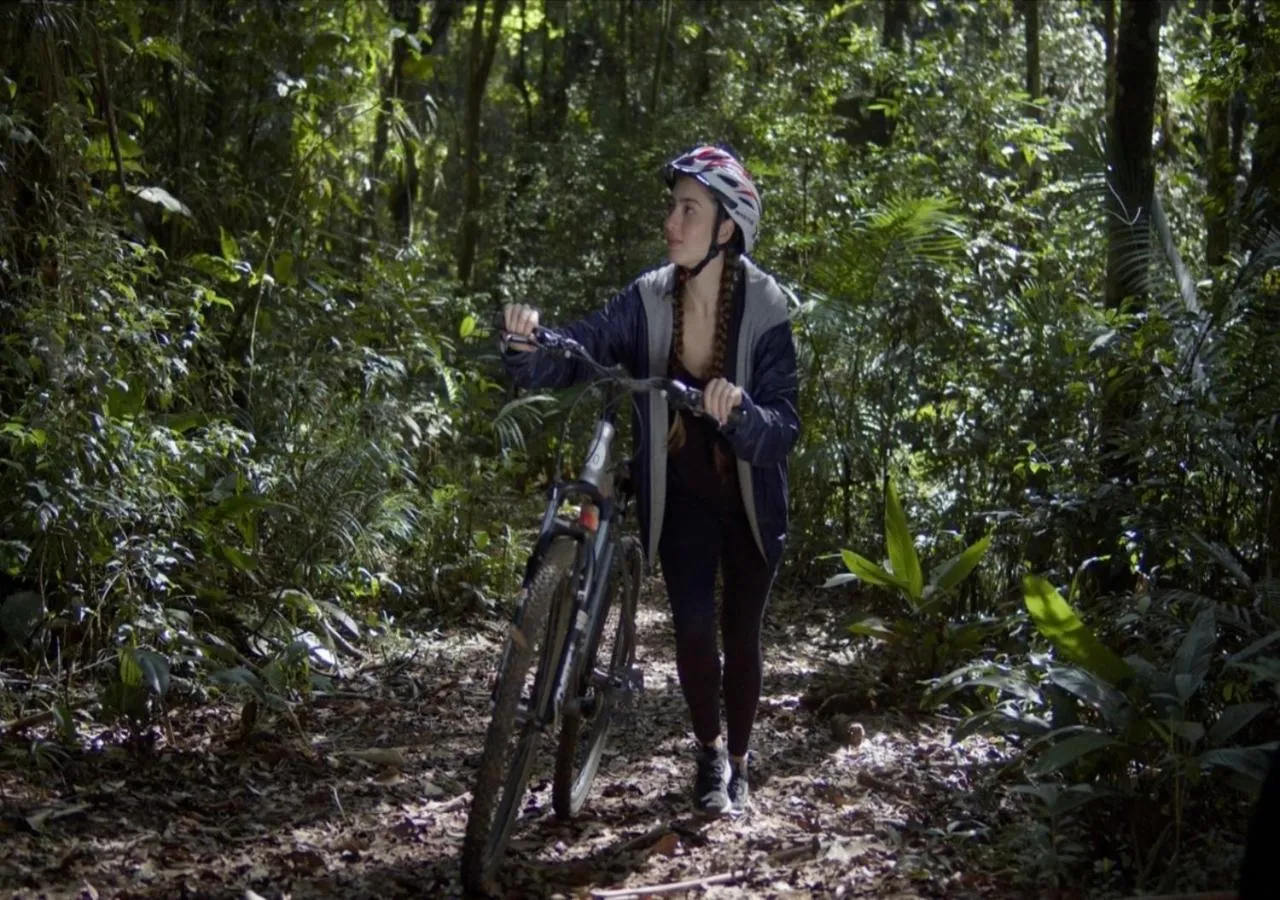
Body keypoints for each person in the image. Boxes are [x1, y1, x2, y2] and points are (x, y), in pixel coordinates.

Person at [500, 144, 800, 816]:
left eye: (688, 208)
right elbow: (583, 349)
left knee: (740, 633)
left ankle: (744, 761)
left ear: (726, 228)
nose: (672, 220)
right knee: (694, 627)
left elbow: (784, 426)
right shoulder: (648, 297)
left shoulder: (768, 307)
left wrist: (744, 413)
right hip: (684, 494)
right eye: (672, 205)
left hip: (751, 498)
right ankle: (709, 755)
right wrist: (530, 347)